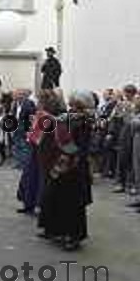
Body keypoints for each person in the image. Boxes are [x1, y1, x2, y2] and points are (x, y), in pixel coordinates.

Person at [38, 90, 94, 251]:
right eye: (72, 103)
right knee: (56, 196)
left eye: (75, 103)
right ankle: (56, 230)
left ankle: (73, 236)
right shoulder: (69, 116)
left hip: (75, 164)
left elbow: (83, 144)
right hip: (62, 161)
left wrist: (71, 154)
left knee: (73, 203)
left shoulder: (85, 120)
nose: (72, 105)